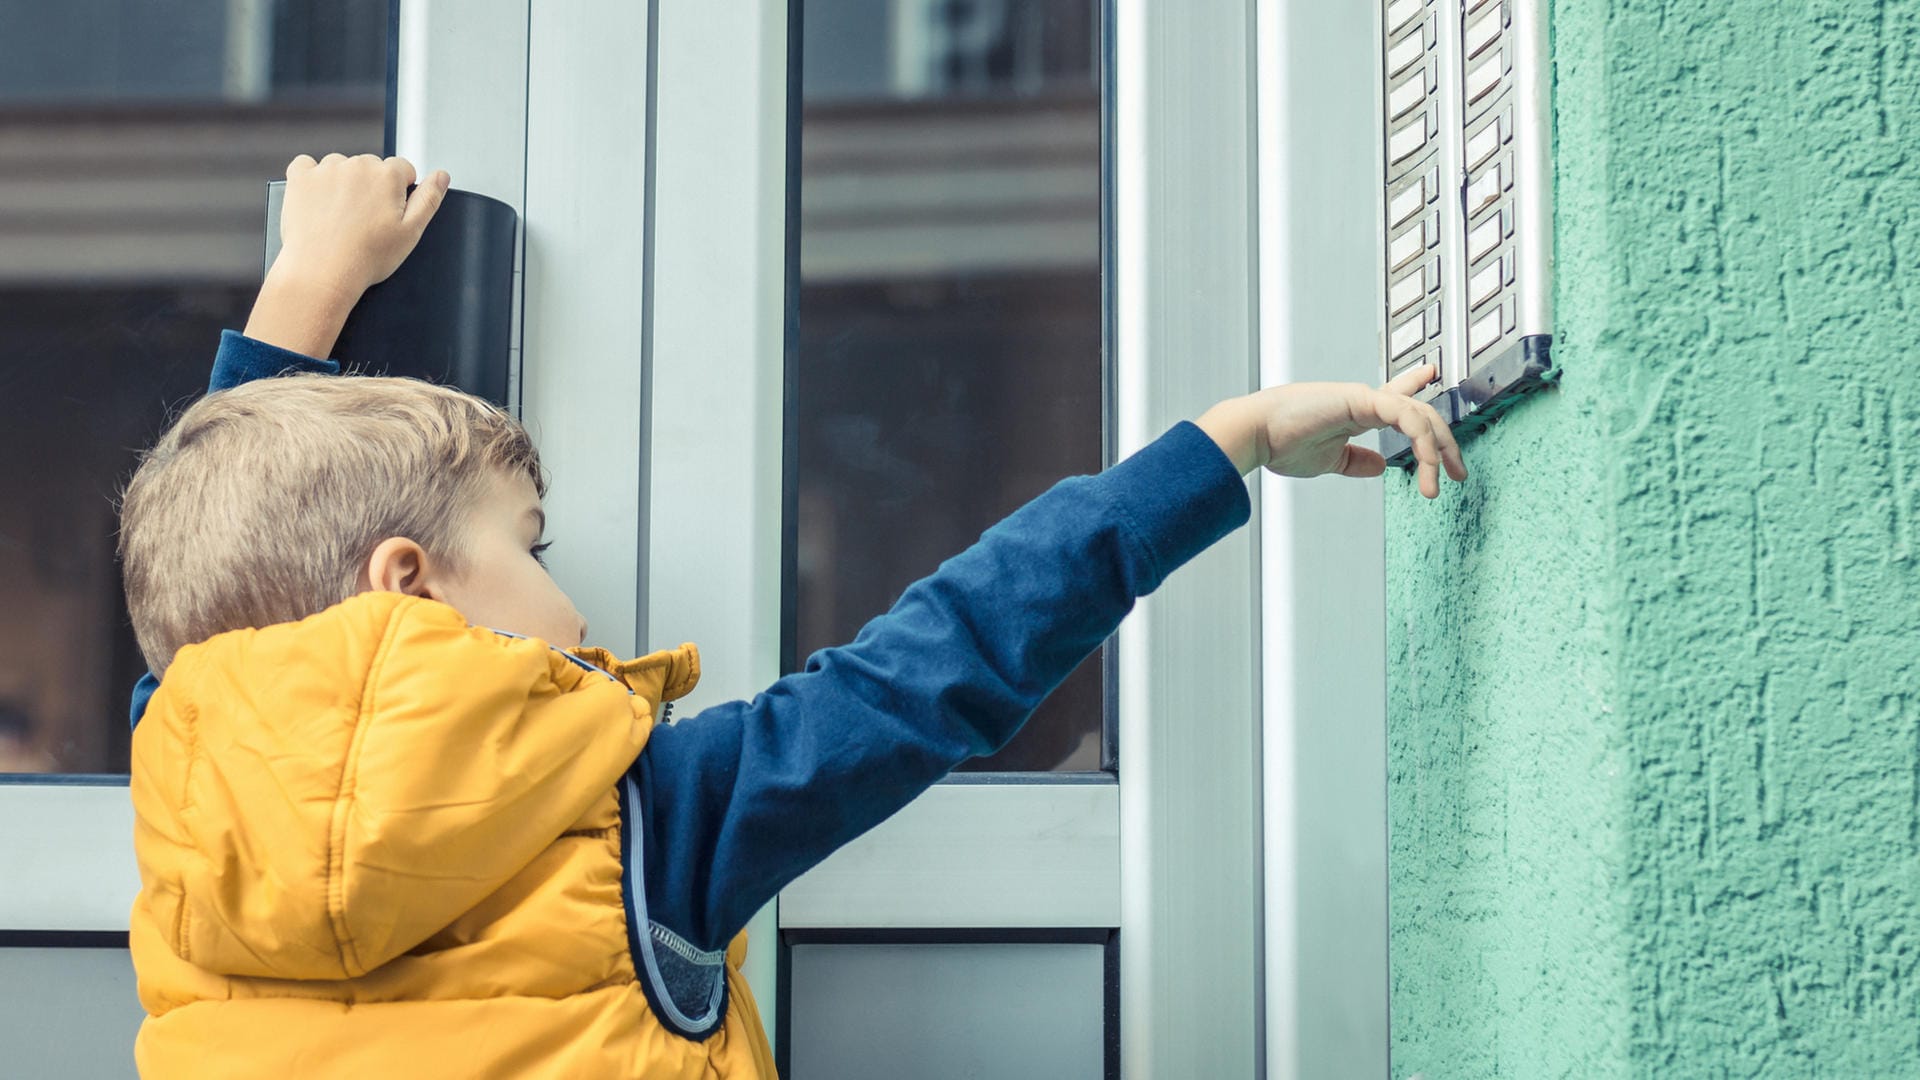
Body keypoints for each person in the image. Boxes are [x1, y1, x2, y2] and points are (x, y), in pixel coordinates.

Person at [120, 154, 1466, 1078]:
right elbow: (931, 668)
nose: (572, 597)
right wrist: (1219, 444)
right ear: (407, 579)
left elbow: (212, 596)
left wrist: (302, 292)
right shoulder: (645, 819)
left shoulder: (186, 798)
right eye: (531, 547)